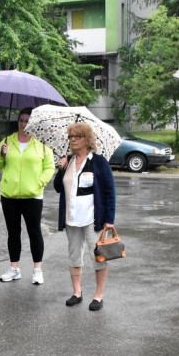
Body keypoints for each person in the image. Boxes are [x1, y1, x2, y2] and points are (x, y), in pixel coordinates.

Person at [52, 122, 116, 311]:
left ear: (87, 140)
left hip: (92, 219)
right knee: (74, 256)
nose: (72, 140)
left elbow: (109, 191)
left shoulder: (99, 162)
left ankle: (98, 295)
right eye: (71, 137)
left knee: (98, 257)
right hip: (71, 218)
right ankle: (77, 292)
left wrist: (109, 220)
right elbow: (58, 188)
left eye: (77, 137)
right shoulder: (69, 161)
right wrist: (60, 168)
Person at [0, 108, 55, 285]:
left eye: (28, 121)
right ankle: (14, 268)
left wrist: (39, 183)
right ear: (18, 121)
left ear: (34, 123)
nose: (24, 124)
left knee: (34, 232)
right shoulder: (7, 142)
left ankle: (37, 270)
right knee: (13, 233)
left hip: (33, 196)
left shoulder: (42, 144)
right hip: (9, 195)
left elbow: (50, 167)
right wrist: (1, 155)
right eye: (21, 120)